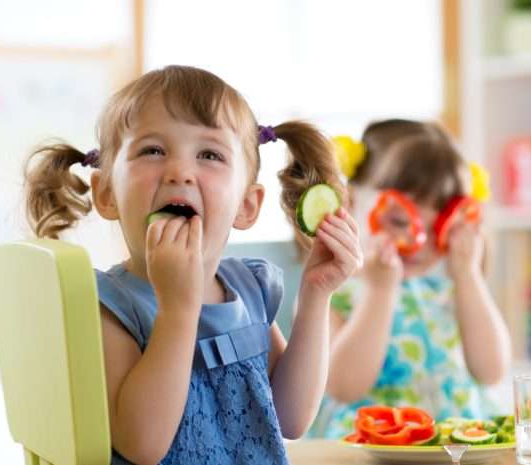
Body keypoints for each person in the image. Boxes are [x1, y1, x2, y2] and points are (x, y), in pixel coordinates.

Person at [22, 65, 362, 465]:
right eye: (152, 151)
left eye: (209, 155)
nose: (180, 172)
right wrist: (178, 309)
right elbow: (143, 445)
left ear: (247, 204)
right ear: (107, 193)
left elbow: (291, 418)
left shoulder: (248, 289)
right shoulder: (108, 306)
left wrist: (317, 295)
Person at [312, 121, 510, 439]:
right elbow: (343, 387)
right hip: (374, 447)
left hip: (455, 446)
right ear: (349, 202)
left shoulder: (450, 289)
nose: (419, 241)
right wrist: (380, 290)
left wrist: (469, 275)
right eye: (401, 220)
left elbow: (491, 371)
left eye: (439, 228)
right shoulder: (330, 291)